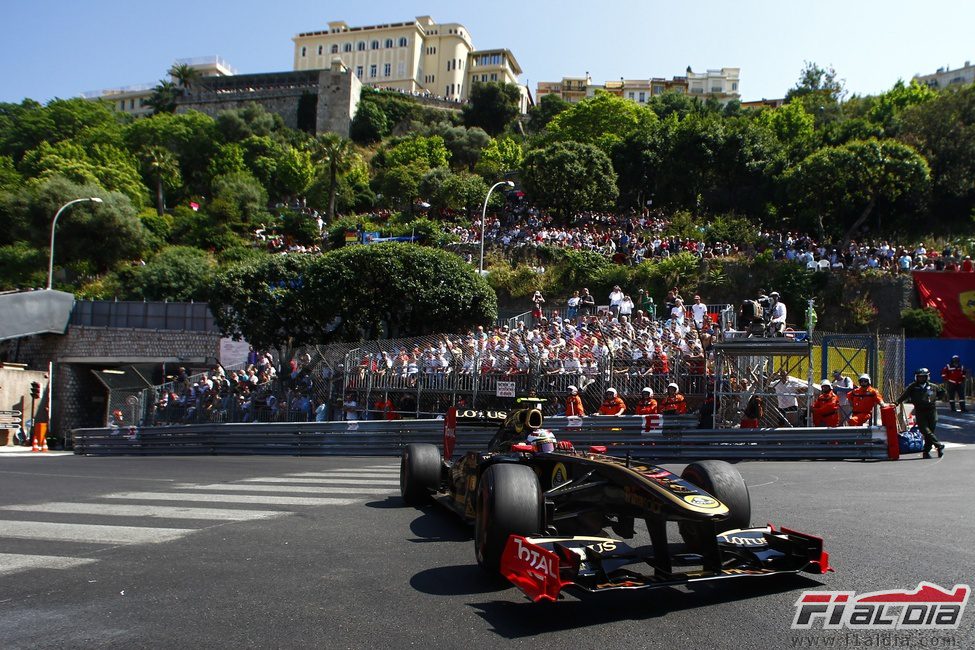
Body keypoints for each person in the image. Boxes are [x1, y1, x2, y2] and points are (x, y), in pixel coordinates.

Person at [896, 368, 947, 458]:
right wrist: (896, 403)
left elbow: (943, 392)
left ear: (927, 377)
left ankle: (926, 451)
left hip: (932, 411)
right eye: (919, 377)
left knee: (931, 431)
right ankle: (939, 445)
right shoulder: (913, 387)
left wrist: (935, 398)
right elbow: (904, 395)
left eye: (923, 377)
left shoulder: (933, 386)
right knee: (925, 430)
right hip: (920, 411)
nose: (921, 379)